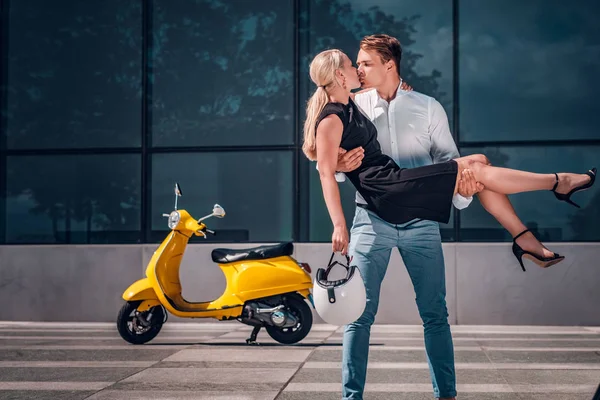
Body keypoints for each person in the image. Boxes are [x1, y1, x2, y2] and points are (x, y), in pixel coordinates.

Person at [303, 45, 596, 400]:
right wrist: (338, 183)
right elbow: (321, 160)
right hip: (375, 211)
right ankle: (551, 191)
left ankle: (447, 395)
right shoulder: (345, 107)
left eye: (365, 64)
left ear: (389, 65)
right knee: (359, 316)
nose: (359, 69)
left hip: (416, 212)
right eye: (355, 65)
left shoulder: (416, 105)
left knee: (436, 310)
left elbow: (441, 157)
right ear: (340, 75)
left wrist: (461, 190)